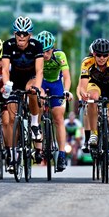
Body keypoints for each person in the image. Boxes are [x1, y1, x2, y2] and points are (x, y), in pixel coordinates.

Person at [77, 38, 109, 170]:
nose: (101, 58)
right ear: (93, 54)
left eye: (105, 55)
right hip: (95, 85)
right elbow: (83, 85)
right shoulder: (87, 62)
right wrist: (83, 94)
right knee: (93, 97)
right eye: (98, 55)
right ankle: (94, 133)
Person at [1, 16, 44, 173]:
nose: (21, 37)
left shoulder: (36, 46)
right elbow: (5, 69)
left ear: (30, 35)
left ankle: (34, 123)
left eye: (25, 34)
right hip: (14, 81)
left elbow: (39, 70)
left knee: (32, 90)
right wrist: (6, 85)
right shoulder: (8, 45)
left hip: (31, 78)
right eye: (18, 33)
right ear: (14, 34)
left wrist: (38, 87)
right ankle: (13, 157)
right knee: (12, 118)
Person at [36, 30, 73, 171]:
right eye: (42, 52)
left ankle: (62, 154)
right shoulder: (36, 56)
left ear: (52, 48)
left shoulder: (59, 55)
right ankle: (38, 138)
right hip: (42, 82)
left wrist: (66, 91)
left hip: (56, 84)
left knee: (58, 118)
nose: (44, 55)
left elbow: (67, 77)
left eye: (47, 51)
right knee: (37, 105)